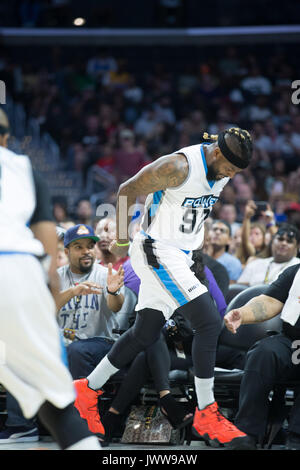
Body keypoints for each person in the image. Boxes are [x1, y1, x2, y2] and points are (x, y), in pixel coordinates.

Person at [73, 127, 254, 449]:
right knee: (208, 322)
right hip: (156, 250)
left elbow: (191, 213)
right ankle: (206, 410)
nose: (231, 175)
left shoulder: (224, 168)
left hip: (182, 254)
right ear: (215, 154)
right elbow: (127, 190)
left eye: (237, 172)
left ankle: (86, 390)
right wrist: (123, 241)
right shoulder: (178, 166)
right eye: (229, 169)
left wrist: (193, 252)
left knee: (145, 332)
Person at [0, 109, 101, 450]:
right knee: (53, 400)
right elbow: (47, 243)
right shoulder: (24, 168)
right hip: (19, 269)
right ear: (6, 138)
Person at [224, 263, 300, 449]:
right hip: (292, 341)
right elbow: (269, 301)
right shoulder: (295, 272)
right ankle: (247, 432)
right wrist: (243, 313)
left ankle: (296, 436)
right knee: (263, 352)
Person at [56, 224, 126, 386]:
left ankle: (83, 407)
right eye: (78, 247)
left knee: (77, 350)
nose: (86, 251)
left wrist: (113, 291)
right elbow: (46, 309)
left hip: (100, 342)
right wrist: (72, 292)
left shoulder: (106, 275)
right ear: (67, 252)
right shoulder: (56, 277)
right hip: (64, 342)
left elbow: (116, 307)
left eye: (90, 246)